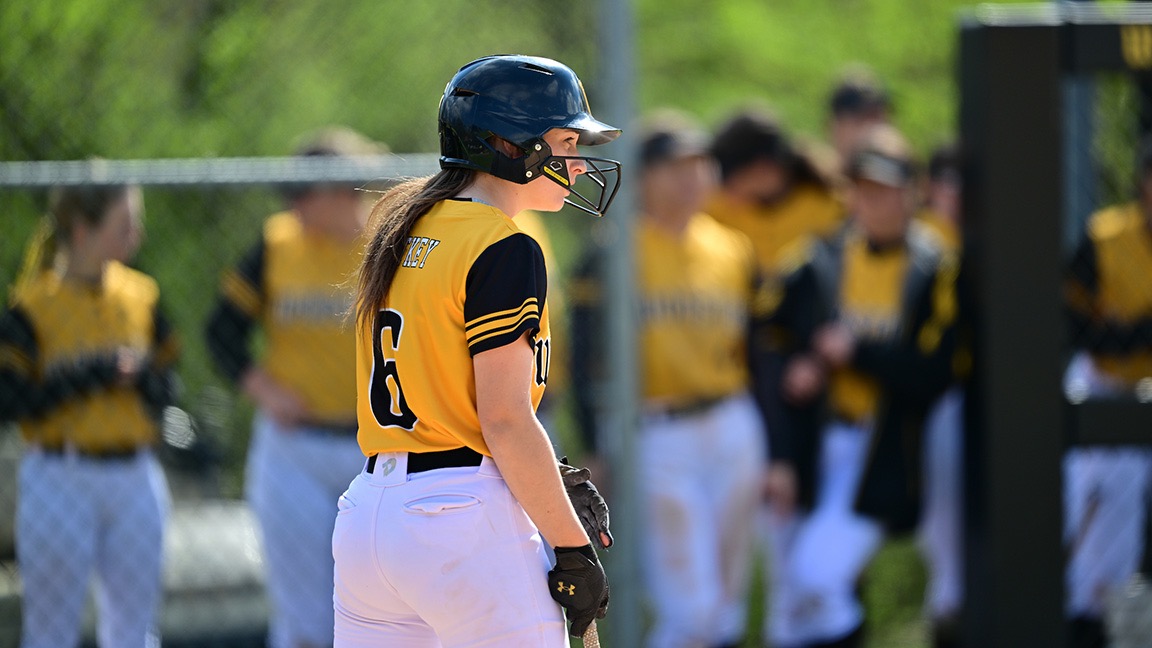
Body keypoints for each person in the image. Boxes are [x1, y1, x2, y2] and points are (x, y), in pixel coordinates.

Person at [332, 54, 617, 647]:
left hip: (369, 517)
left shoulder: (408, 222)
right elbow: (507, 420)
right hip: (458, 520)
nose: (577, 160)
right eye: (564, 140)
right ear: (509, 145)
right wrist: (571, 546)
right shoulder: (504, 243)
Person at [571, 111, 768, 648]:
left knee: (726, 603)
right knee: (692, 605)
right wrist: (594, 443)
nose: (691, 176)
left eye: (699, 163)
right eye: (675, 165)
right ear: (645, 176)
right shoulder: (612, 251)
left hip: (731, 419)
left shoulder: (732, 247)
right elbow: (584, 355)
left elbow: (755, 351)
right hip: (655, 430)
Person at [761, 125, 958, 648]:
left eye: (886, 189)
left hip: (890, 446)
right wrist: (803, 364)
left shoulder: (933, 265)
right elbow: (769, 335)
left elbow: (934, 373)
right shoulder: (821, 258)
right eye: (862, 189)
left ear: (911, 193)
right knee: (795, 602)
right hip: (818, 439)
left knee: (818, 575)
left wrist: (858, 353)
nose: (872, 202)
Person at [204, 127, 384, 648]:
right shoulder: (278, 242)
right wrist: (263, 388)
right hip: (293, 452)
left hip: (373, 450)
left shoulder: (388, 243)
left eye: (303, 194)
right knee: (301, 618)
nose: (292, 206)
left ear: (341, 190)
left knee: (378, 613)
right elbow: (221, 331)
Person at [0, 183, 178, 648]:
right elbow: (10, 401)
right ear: (82, 231)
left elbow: (169, 388)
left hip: (135, 474)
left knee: (134, 632)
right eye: (123, 225)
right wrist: (92, 374)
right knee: (51, 633)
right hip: (61, 473)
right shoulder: (33, 306)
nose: (135, 236)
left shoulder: (142, 295)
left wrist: (142, 376)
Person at [703, 106, 845, 648]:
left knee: (805, 532)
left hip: (809, 376)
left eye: (733, 173)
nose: (724, 186)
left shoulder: (823, 204)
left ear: (765, 168)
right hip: (747, 371)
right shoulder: (719, 210)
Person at [1063, 136, 1152, 648]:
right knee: (1076, 502)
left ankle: (1098, 620)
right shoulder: (1107, 235)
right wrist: (1131, 333)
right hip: (1096, 380)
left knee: (1121, 524)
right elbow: (1073, 318)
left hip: (1143, 390)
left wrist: (1132, 330)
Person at [826, 66, 893, 169]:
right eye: (859, 120)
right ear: (835, 126)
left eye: (874, 118)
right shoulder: (816, 180)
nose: (867, 131)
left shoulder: (900, 178)